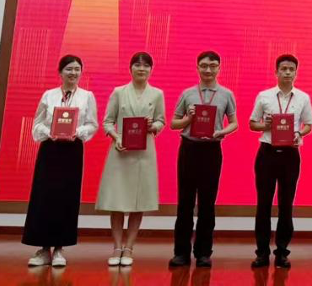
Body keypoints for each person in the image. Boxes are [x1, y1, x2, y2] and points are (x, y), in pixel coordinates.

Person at [23, 54, 98, 267]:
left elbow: (92, 124)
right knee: (44, 196)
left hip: (72, 151)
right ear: (60, 72)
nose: (73, 73)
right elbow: (37, 124)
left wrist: (77, 132)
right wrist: (50, 132)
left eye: (77, 69)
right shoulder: (49, 95)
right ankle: (43, 250)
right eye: (69, 69)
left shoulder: (87, 96)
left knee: (67, 197)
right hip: (50, 149)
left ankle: (58, 250)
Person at [168, 51, 239, 268]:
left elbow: (234, 123)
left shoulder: (226, 94)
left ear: (219, 68)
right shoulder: (187, 93)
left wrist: (221, 132)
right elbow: (173, 123)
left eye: (213, 66)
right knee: (185, 202)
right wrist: (188, 119)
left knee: (207, 203)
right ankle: (181, 253)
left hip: (211, 150)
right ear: (197, 67)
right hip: (189, 149)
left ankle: (203, 253)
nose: (208, 70)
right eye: (204, 65)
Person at [96, 52, 166, 266]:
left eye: (146, 65)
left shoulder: (157, 94)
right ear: (130, 68)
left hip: (144, 154)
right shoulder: (119, 92)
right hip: (121, 152)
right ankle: (117, 247)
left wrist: (152, 126)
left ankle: (129, 248)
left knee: (138, 202)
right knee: (116, 202)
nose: (141, 69)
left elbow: (161, 121)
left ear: (151, 70)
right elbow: (107, 121)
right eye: (137, 64)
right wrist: (116, 137)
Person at [249, 54, 312, 269]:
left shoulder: (303, 97)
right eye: (283, 69)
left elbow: (309, 124)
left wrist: (299, 133)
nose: (287, 72)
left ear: (296, 73)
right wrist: (265, 126)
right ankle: (262, 253)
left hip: (290, 155)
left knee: (286, 205)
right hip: (267, 153)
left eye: (291, 69)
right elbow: (252, 124)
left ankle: (282, 253)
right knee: (264, 205)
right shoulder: (264, 96)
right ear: (276, 72)